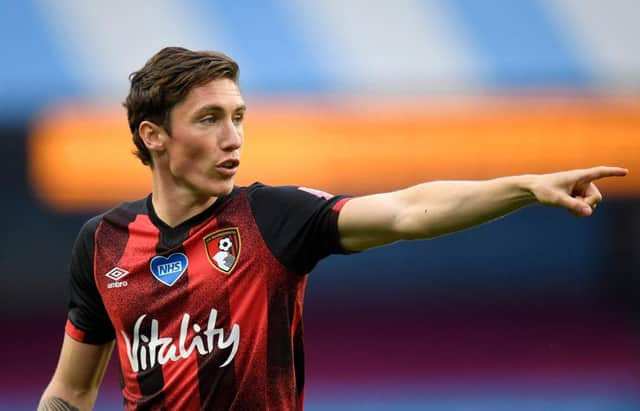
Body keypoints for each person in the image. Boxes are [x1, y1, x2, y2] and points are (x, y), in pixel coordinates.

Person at [38, 47, 628, 411]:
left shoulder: (272, 218)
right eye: (210, 119)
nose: (234, 138)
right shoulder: (103, 243)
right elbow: (72, 390)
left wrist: (525, 187)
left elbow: (405, 211)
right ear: (153, 136)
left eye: (239, 117)